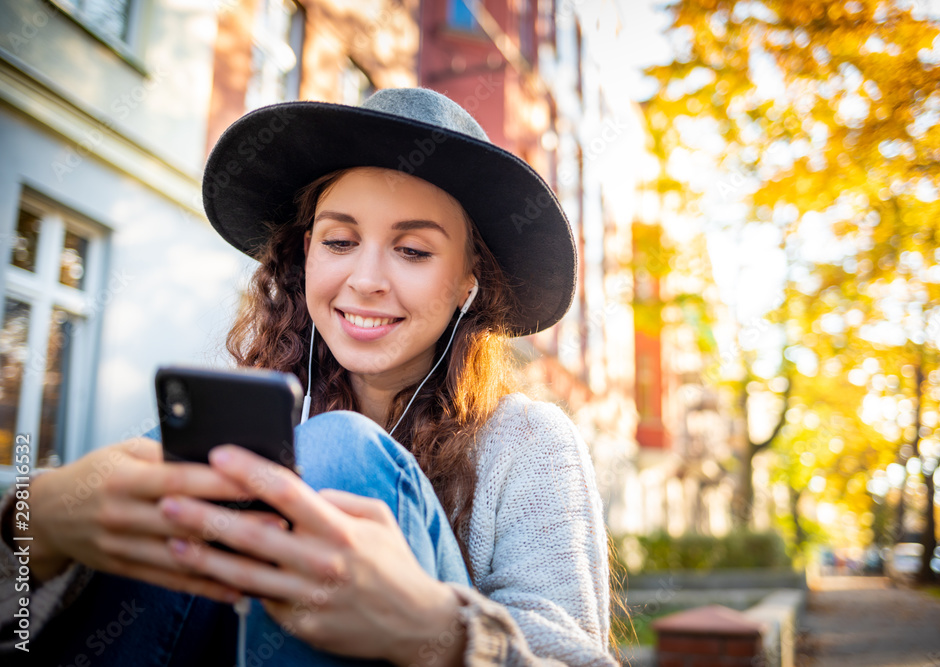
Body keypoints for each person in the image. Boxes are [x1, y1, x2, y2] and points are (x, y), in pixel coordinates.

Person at [0, 88, 617, 666]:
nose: (366, 279)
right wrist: (33, 524)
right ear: (305, 255)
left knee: (339, 445)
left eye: (414, 251)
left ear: (467, 281)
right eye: (340, 240)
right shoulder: (243, 415)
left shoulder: (528, 442)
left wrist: (436, 631)